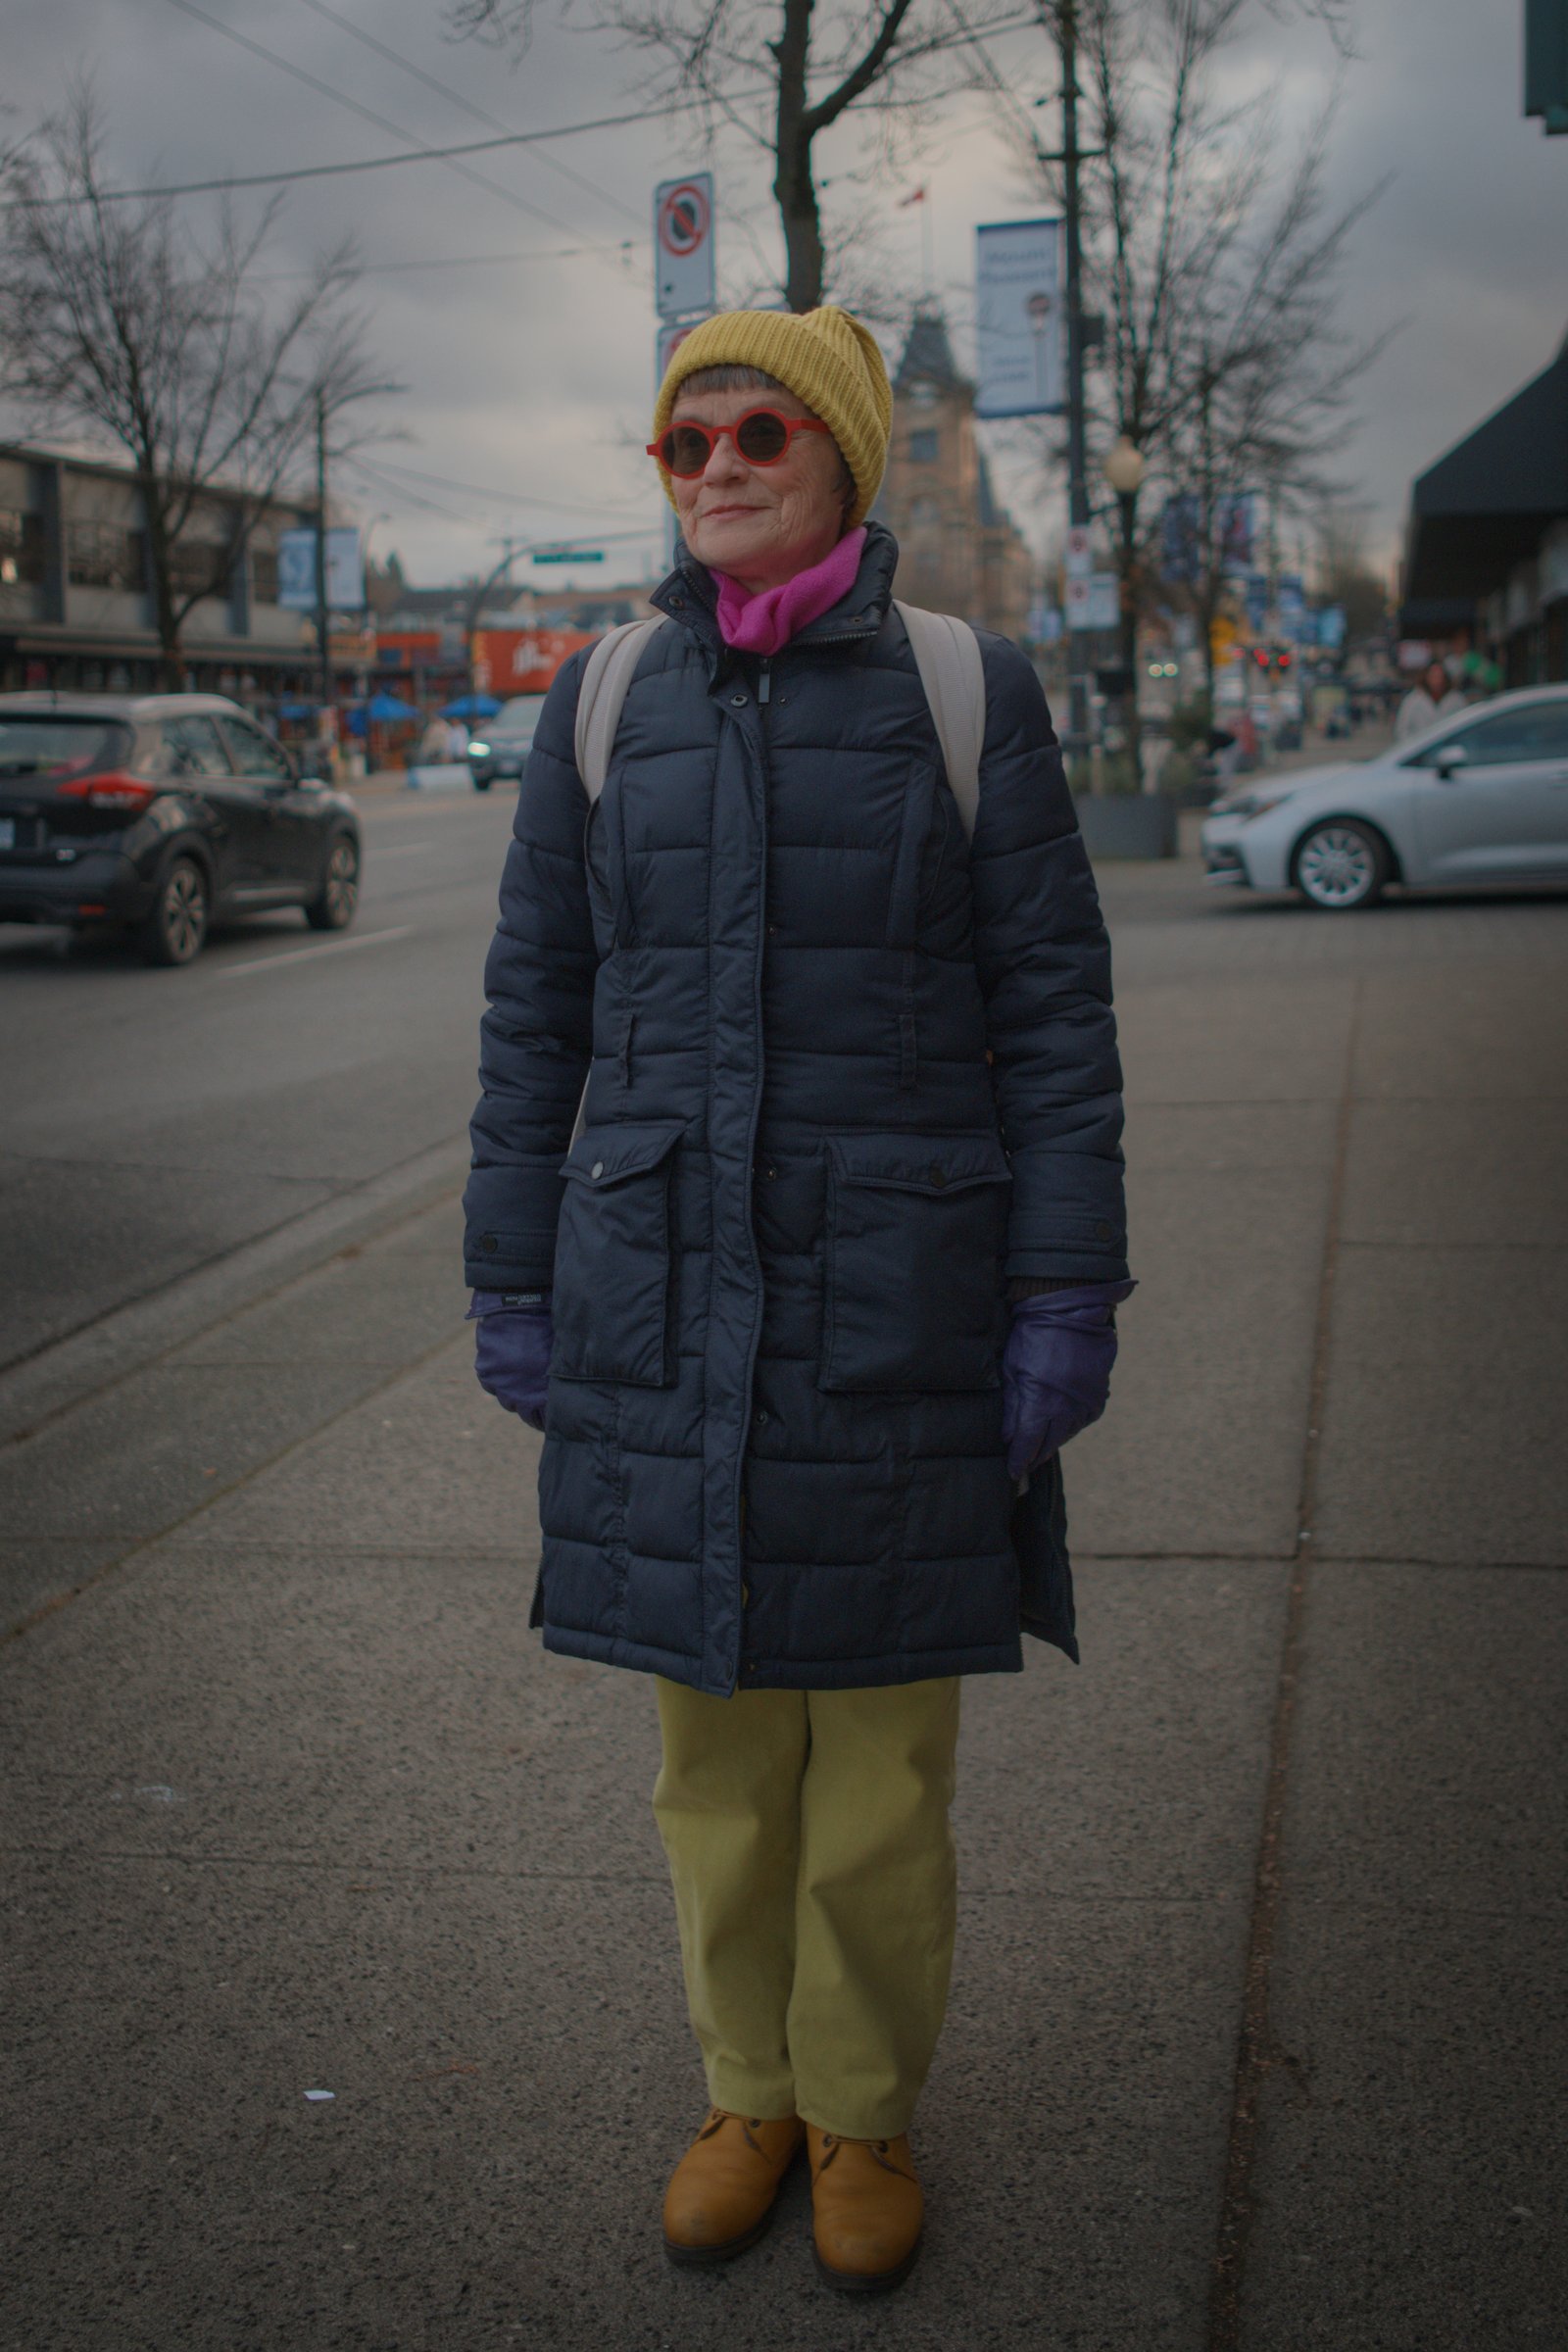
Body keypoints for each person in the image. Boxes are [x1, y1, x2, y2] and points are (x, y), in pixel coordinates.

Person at [463, 306, 1131, 2295]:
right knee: (717, 1770)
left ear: (843, 454)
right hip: (662, 1303)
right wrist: (510, 1279)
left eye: (760, 430)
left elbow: (1052, 1023)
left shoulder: (966, 691)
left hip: (896, 1312)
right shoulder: (599, 701)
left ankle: (856, 2110)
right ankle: (742, 2091)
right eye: (687, 441)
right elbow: (533, 1018)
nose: (720, 466)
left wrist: (1063, 1290)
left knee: (880, 1778)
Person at [1396, 657, 1466, 742]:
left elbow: (1464, 725)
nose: (1437, 680)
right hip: (1421, 746)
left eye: (1439, 676)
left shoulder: (1456, 699)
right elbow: (1402, 729)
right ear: (1426, 677)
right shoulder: (1413, 700)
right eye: (1433, 676)